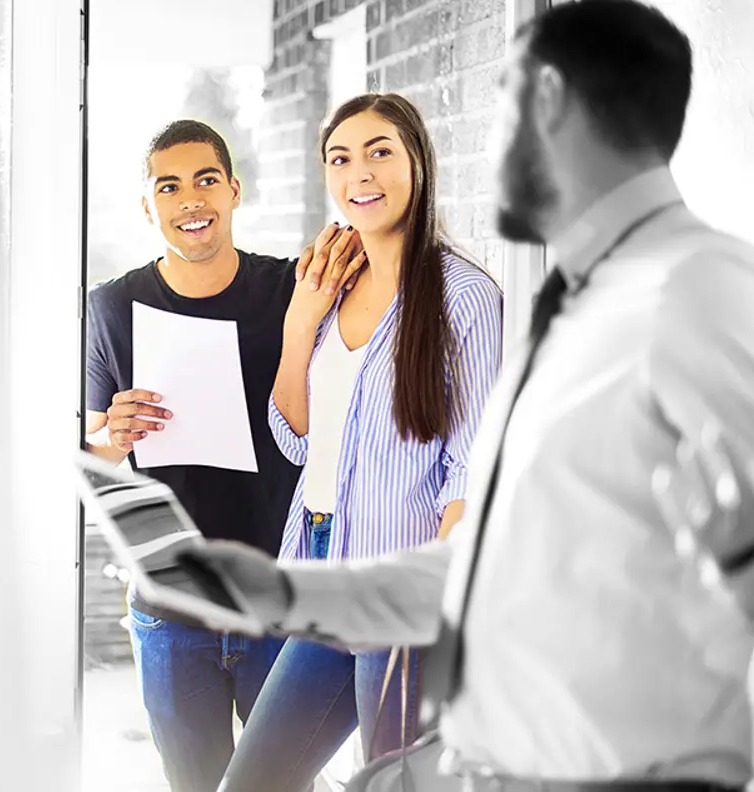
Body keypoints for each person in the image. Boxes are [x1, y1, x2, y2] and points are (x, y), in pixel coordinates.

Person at [187, 1, 754, 789]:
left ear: (546, 98)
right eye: (339, 159)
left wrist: (753, 549)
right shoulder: (579, 299)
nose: (485, 142)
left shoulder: (699, 285)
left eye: (501, 103)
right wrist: (287, 585)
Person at [216, 92, 502, 792]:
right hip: (318, 564)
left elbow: (470, 465)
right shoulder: (327, 286)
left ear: (418, 163)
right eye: (340, 158)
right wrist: (298, 323)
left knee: (396, 782)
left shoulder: (464, 297)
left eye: (380, 151)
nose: (359, 173)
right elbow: (293, 436)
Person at [83, 119, 360, 792]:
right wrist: (111, 437)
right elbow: (95, 460)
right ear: (148, 207)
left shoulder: (291, 291)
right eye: (168, 187)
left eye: (206, 180)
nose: (190, 200)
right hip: (171, 609)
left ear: (234, 191)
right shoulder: (113, 308)